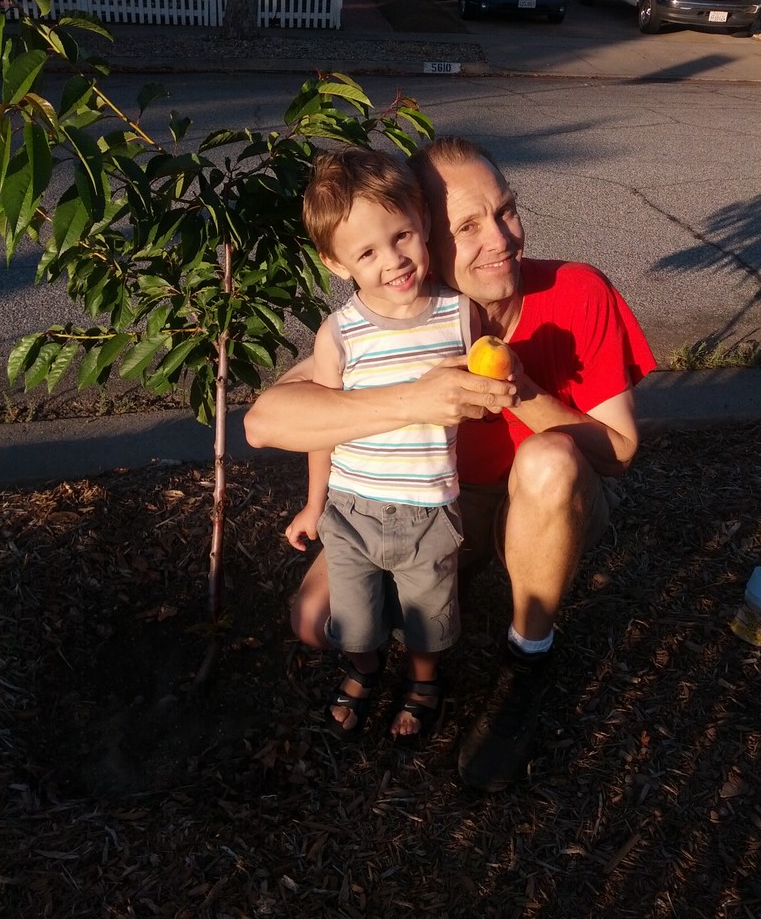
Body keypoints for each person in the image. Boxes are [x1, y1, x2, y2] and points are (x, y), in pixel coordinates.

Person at [245, 136, 657, 791]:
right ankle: (424, 622)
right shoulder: (397, 322)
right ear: (428, 238)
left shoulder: (578, 290)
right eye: (468, 226)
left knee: (548, 459)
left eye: (506, 210)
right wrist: (414, 398)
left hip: (543, 499)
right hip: (433, 506)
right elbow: (265, 420)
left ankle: (527, 659)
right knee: (317, 622)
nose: (501, 238)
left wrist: (521, 390)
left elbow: (620, 452)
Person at [283, 146, 481, 746]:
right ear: (335, 262)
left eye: (402, 236)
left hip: (429, 507)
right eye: (367, 252)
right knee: (355, 615)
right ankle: (363, 670)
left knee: (429, 616)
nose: (393, 260)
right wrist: (314, 505)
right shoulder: (339, 334)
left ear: (423, 220)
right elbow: (324, 425)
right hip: (352, 510)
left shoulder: (459, 315)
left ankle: (424, 683)